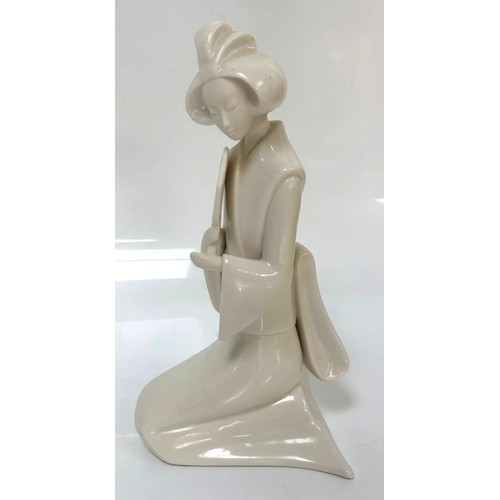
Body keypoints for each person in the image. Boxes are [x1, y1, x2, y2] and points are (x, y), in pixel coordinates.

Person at [135, 21, 353, 478]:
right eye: (214, 112)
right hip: (242, 339)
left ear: (256, 97)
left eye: (230, 107)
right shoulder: (234, 159)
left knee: (160, 423)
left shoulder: (285, 173)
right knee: (150, 406)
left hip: (270, 349)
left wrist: (220, 264)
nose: (224, 122)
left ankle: (286, 416)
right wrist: (215, 245)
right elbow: (231, 244)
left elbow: (276, 269)